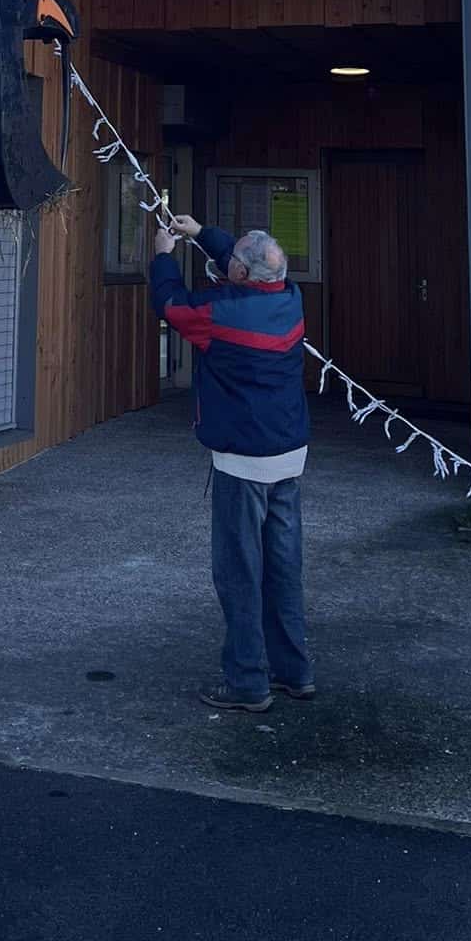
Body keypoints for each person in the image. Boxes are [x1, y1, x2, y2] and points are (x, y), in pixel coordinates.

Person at [150, 214, 315, 713]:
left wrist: (163, 254)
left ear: (240, 274)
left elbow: (170, 304)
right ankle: (295, 672)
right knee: (283, 568)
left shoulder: (218, 314)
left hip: (243, 463)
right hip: (289, 456)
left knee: (239, 573)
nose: (227, 263)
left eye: (234, 260)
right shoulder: (290, 298)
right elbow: (240, 263)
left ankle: (247, 682)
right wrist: (201, 233)